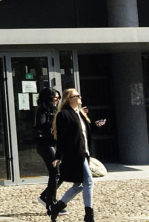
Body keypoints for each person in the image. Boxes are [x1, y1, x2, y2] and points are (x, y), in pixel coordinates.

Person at [50, 89, 107, 222]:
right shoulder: (63, 115)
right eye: (77, 96)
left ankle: (57, 207)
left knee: (78, 185)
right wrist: (59, 156)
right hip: (74, 154)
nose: (80, 97)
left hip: (84, 153)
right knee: (89, 181)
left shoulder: (80, 114)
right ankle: (89, 215)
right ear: (70, 99)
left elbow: (84, 133)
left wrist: (96, 126)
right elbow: (62, 137)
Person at [34, 88, 62, 214]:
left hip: (53, 143)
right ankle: (51, 203)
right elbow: (41, 124)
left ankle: (46, 196)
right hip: (45, 144)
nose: (57, 100)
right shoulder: (42, 109)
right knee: (55, 172)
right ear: (48, 98)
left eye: (58, 98)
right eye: (55, 97)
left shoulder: (55, 109)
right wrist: (56, 122)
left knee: (61, 173)